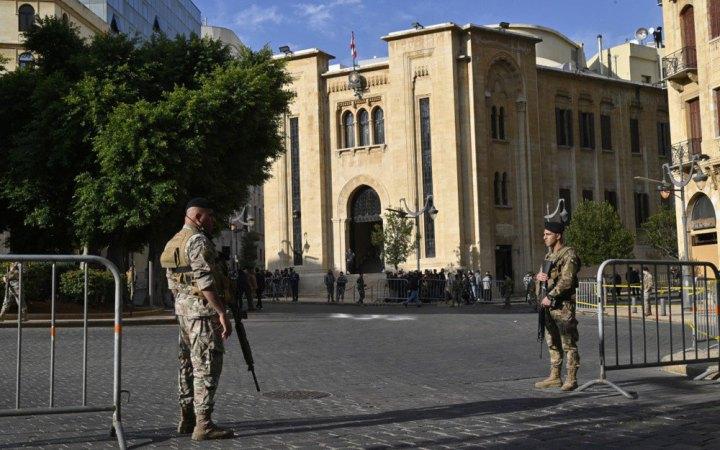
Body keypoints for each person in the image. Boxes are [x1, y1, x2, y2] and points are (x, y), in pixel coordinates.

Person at [160, 198, 233, 440]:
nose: (213, 221)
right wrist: (221, 312)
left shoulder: (174, 241)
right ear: (199, 217)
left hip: (183, 312)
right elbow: (206, 282)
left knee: (187, 365)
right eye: (210, 216)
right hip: (202, 313)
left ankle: (186, 418)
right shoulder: (198, 241)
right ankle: (203, 424)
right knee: (206, 366)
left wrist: (183, 301)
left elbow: (172, 282)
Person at [534, 220, 581, 392]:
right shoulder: (549, 256)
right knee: (552, 341)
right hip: (547, 306)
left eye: (548, 234)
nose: (544, 237)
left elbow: (567, 280)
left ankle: (571, 378)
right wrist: (539, 279)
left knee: (568, 342)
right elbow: (545, 279)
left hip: (563, 306)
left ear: (558, 235)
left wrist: (551, 295)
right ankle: (555, 376)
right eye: (544, 234)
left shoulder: (568, 254)